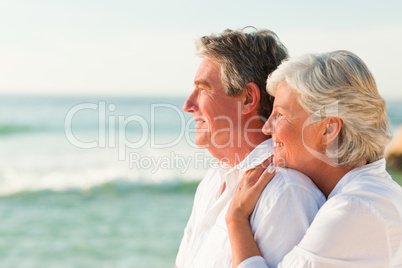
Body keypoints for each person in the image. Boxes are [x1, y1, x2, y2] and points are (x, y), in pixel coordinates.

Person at [226, 50, 402, 267]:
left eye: (280, 114)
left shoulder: (352, 208)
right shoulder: (375, 192)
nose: (266, 126)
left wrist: (237, 219)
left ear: (328, 130)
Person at [175, 28, 326, 268]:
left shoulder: (287, 193)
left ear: (247, 99)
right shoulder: (213, 181)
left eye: (203, 89)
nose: (188, 104)